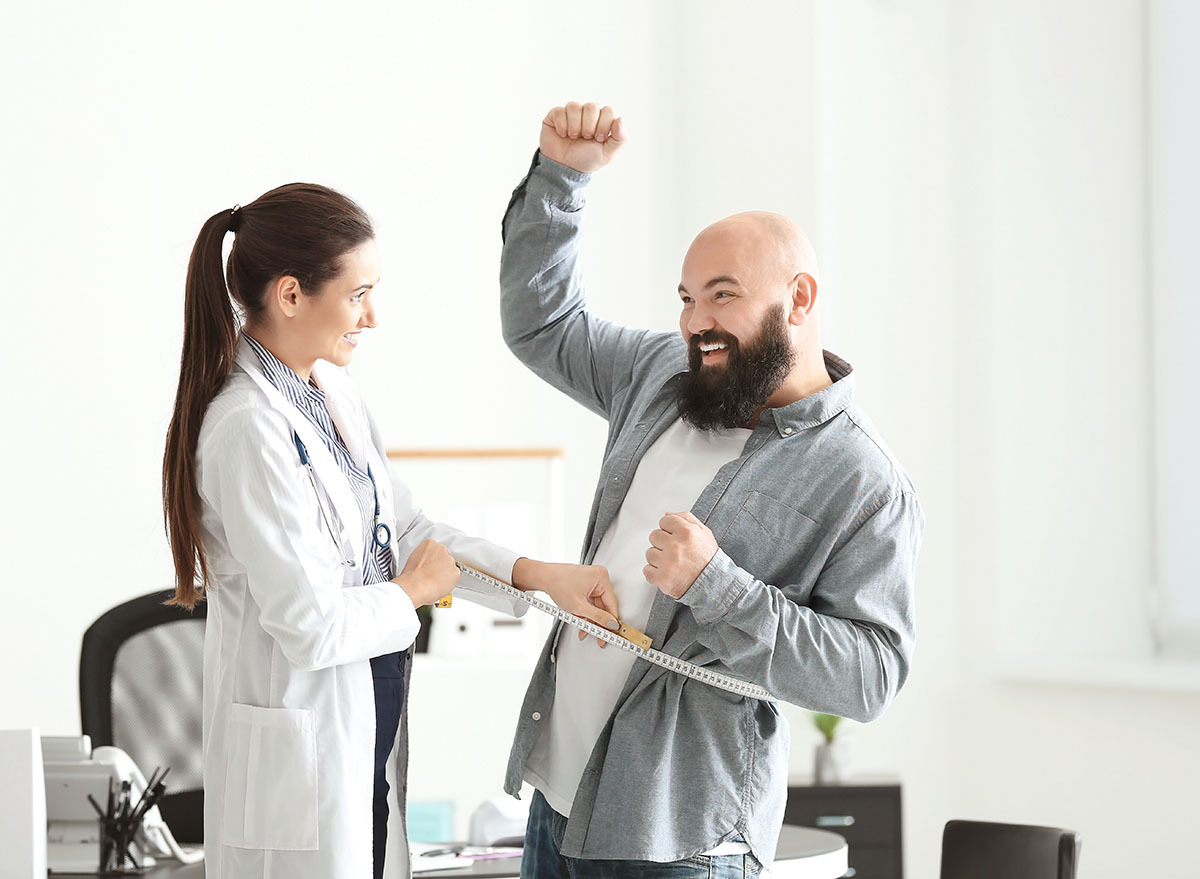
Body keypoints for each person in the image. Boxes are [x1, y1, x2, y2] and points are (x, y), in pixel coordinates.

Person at [497, 103, 924, 878]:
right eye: (688, 297)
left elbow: (870, 676)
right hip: (555, 805)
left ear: (798, 300)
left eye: (722, 295)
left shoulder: (864, 482)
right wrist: (561, 180)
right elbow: (541, 323)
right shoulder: (660, 374)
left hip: (676, 841)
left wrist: (717, 588)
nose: (697, 321)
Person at [161, 182, 620, 879]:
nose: (372, 316)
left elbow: (406, 532)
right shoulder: (246, 428)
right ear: (290, 295)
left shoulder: (333, 393)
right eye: (358, 294)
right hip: (301, 766)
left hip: (363, 724)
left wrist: (537, 575)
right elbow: (309, 623)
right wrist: (409, 594)